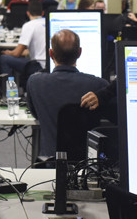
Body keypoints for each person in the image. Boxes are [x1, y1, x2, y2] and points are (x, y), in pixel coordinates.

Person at [26, 29, 109, 157]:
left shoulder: (35, 83)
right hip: (88, 166)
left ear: (50, 53)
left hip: (50, 164)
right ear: (79, 52)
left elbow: (36, 113)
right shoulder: (100, 86)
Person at [0, 1, 47, 75]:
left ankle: (9, 86)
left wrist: (8, 52)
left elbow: (16, 53)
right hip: (51, 64)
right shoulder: (49, 22)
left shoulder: (29, 25)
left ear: (28, 13)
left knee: (4, 59)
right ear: (42, 13)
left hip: (38, 66)